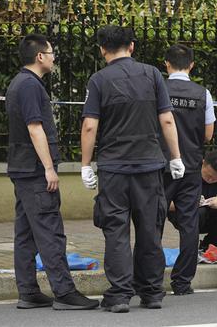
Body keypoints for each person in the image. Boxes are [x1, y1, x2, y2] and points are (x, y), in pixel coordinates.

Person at [80, 26, 184, 313]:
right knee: (150, 229)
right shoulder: (152, 75)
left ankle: (120, 295)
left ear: (103, 49)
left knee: (116, 231)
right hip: (149, 166)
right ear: (132, 46)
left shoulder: (99, 80)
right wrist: (175, 157)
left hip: (114, 169)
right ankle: (151, 293)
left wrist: (85, 165)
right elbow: (166, 120)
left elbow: (90, 125)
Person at [5, 34, 99, 310]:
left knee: (26, 233)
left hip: (21, 167)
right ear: (40, 57)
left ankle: (28, 291)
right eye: (51, 52)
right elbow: (35, 128)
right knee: (49, 231)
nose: (54, 56)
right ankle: (64, 291)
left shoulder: (18, 83)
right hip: (35, 170)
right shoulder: (31, 86)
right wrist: (48, 168)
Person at [161, 44, 215, 296]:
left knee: (153, 221)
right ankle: (182, 281)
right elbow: (208, 133)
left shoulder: (158, 89)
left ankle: (149, 277)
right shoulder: (203, 93)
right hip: (192, 166)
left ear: (166, 64)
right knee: (189, 223)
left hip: (161, 164)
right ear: (192, 65)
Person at [168, 150, 217, 251]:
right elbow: (165, 203)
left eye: (216, 179)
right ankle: (189, 248)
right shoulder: (188, 169)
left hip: (212, 215)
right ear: (203, 163)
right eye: (208, 176)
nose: (211, 180)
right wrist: (188, 203)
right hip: (184, 213)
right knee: (200, 212)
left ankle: (211, 246)